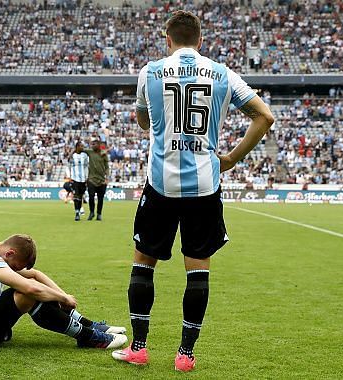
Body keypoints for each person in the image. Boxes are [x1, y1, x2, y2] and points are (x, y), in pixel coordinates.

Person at [112, 11, 275, 371]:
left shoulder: (150, 71)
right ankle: (185, 355)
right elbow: (264, 116)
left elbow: (143, 120)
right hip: (204, 185)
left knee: (144, 263)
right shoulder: (222, 73)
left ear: (167, 41)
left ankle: (139, 347)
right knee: (197, 270)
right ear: (200, 41)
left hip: (160, 185)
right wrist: (230, 157)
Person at [0, 234, 128, 349]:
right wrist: (63, 297)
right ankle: (88, 337)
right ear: (10, 254)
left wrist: (63, 296)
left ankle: (89, 326)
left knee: (32, 288)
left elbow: (35, 275)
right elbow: (31, 288)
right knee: (27, 293)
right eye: (14, 267)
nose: (15, 270)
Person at [85, 138, 109, 221]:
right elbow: (79, 150)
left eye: (94, 144)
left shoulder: (103, 154)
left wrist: (107, 178)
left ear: (98, 145)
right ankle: (91, 213)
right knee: (91, 197)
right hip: (91, 179)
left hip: (102, 180)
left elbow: (107, 167)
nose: (92, 146)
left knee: (100, 199)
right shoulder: (89, 152)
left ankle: (99, 214)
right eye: (91, 144)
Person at [68, 141, 89, 221]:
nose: (82, 147)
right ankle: (77, 213)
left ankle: (79, 210)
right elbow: (68, 166)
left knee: (80, 197)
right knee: (76, 196)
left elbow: (87, 166)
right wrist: (70, 177)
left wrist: (87, 177)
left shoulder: (85, 156)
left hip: (83, 179)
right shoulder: (73, 156)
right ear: (77, 147)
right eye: (81, 146)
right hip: (75, 178)